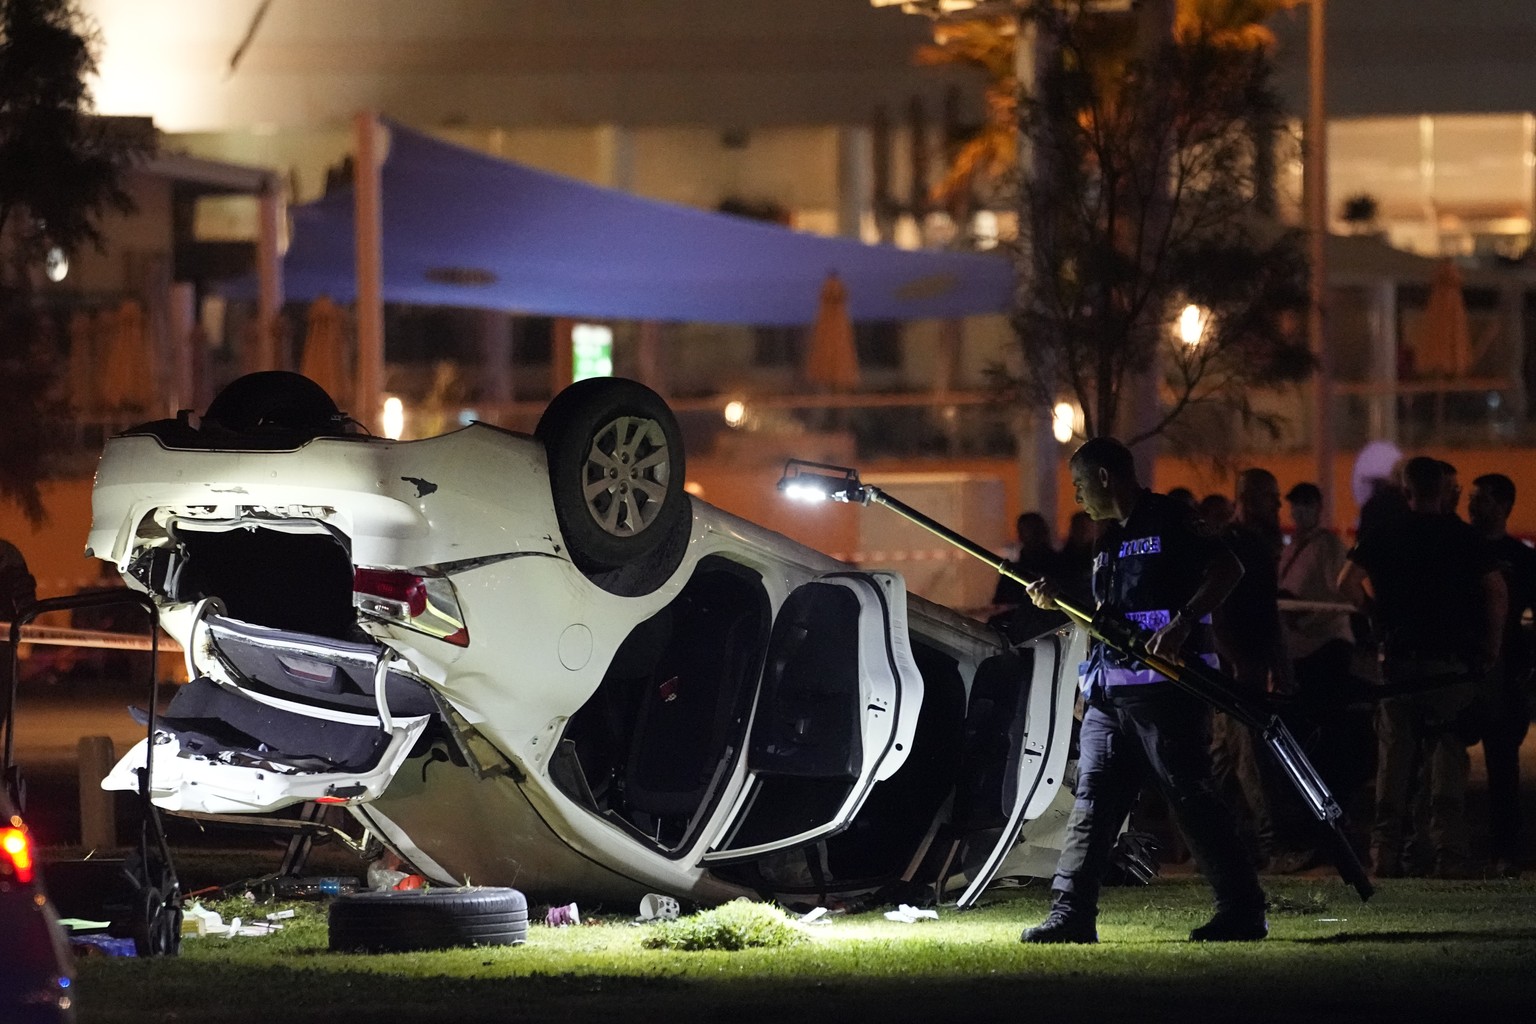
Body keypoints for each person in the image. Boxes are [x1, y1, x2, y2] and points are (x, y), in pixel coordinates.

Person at [1020, 437, 1267, 944]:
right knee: (1092, 805)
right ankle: (1071, 916)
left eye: (1080, 484)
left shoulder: (1172, 518)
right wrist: (1058, 604)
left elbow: (1228, 569)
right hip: (1109, 698)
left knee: (1190, 798)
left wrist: (1182, 623)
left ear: (1106, 477)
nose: (1078, 496)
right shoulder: (1105, 538)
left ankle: (1242, 910)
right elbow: (1109, 619)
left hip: (1167, 695)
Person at [1338, 456, 1505, 879]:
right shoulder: (1465, 539)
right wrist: (1491, 646)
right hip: (1451, 668)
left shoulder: (1384, 535)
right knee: (1447, 759)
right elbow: (1495, 590)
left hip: (1398, 665)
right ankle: (1448, 853)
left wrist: (1375, 613)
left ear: (1406, 491)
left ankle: (1385, 853)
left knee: (1394, 760)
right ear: (1443, 489)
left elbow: (1346, 582)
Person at [1209, 468, 1311, 872]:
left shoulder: (1234, 544)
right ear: (1249, 500)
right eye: (1272, 498)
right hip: (1239, 665)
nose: (1278, 505)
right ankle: (1273, 846)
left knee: (1223, 759)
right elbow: (1253, 613)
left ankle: (1218, 845)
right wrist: (1257, 665)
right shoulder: (1245, 547)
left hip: (1226, 666)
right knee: (1251, 758)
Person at [1466, 473, 1536, 877]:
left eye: (1481, 499)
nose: (1472, 506)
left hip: (1504, 671)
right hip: (1459, 670)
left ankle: (1504, 850)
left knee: (1503, 765)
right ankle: (1448, 849)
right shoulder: (1458, 548)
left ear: (1503, 505)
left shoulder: (1521, 559)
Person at [988, 511, 1067, 643]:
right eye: (1027, 531)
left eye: (1034, 530)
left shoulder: (1061, 566)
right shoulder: (1013, 571)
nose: (1032, 536)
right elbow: (1001, 606)